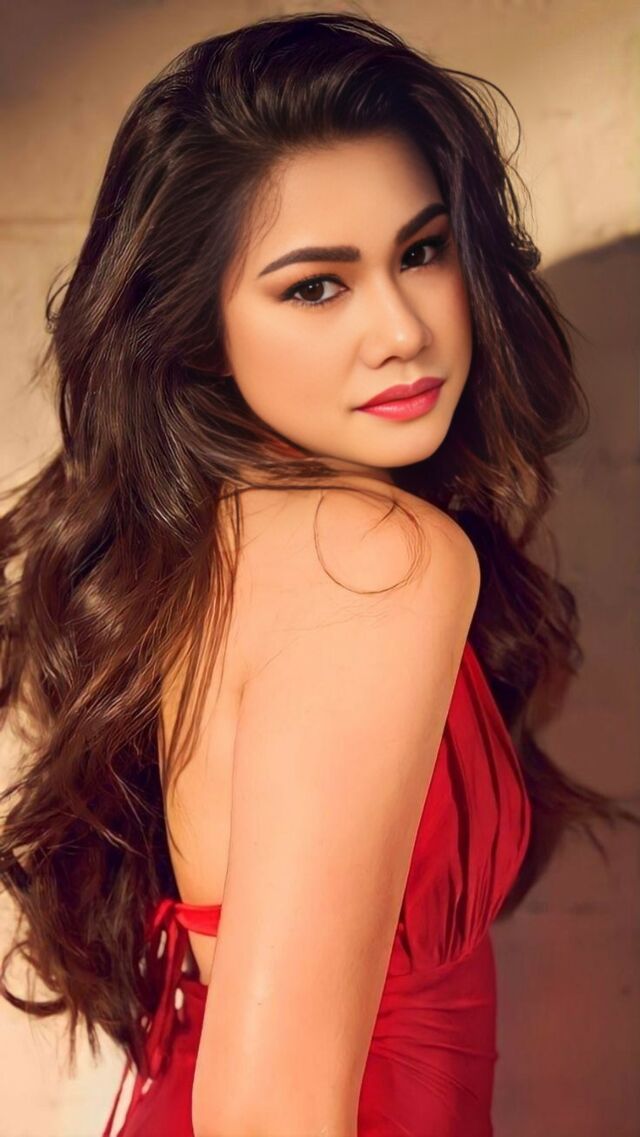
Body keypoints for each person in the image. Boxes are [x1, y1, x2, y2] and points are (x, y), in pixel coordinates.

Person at [0, 11, 637, 1137]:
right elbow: (271, 1110)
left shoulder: (228, 539)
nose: (401, 329)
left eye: (421, 252)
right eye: (314, 287)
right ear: (197, 326)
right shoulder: (368, 558)